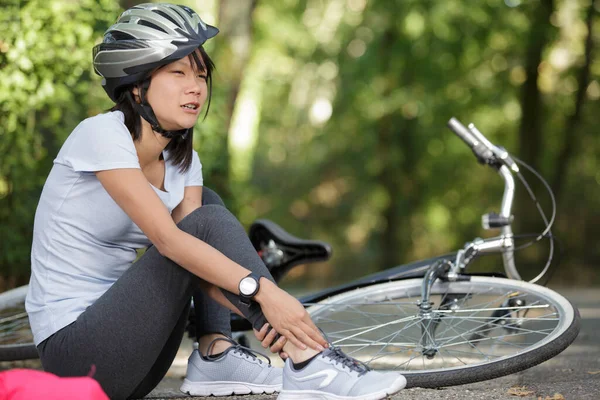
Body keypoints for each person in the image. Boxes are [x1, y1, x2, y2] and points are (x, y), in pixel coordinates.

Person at [25, 3, 407, 399]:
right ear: (137, 86)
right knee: (201, 224)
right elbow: (171, 242)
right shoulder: (100, 135)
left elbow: (200, 267)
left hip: (136, 359)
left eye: (201, 75)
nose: (196, 87)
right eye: (178, 73)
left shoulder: (182, 163)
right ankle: (309, 358)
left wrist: (264, 308)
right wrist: (265, 293)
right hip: (76, 354)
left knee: (206, 206)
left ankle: (217, 351)